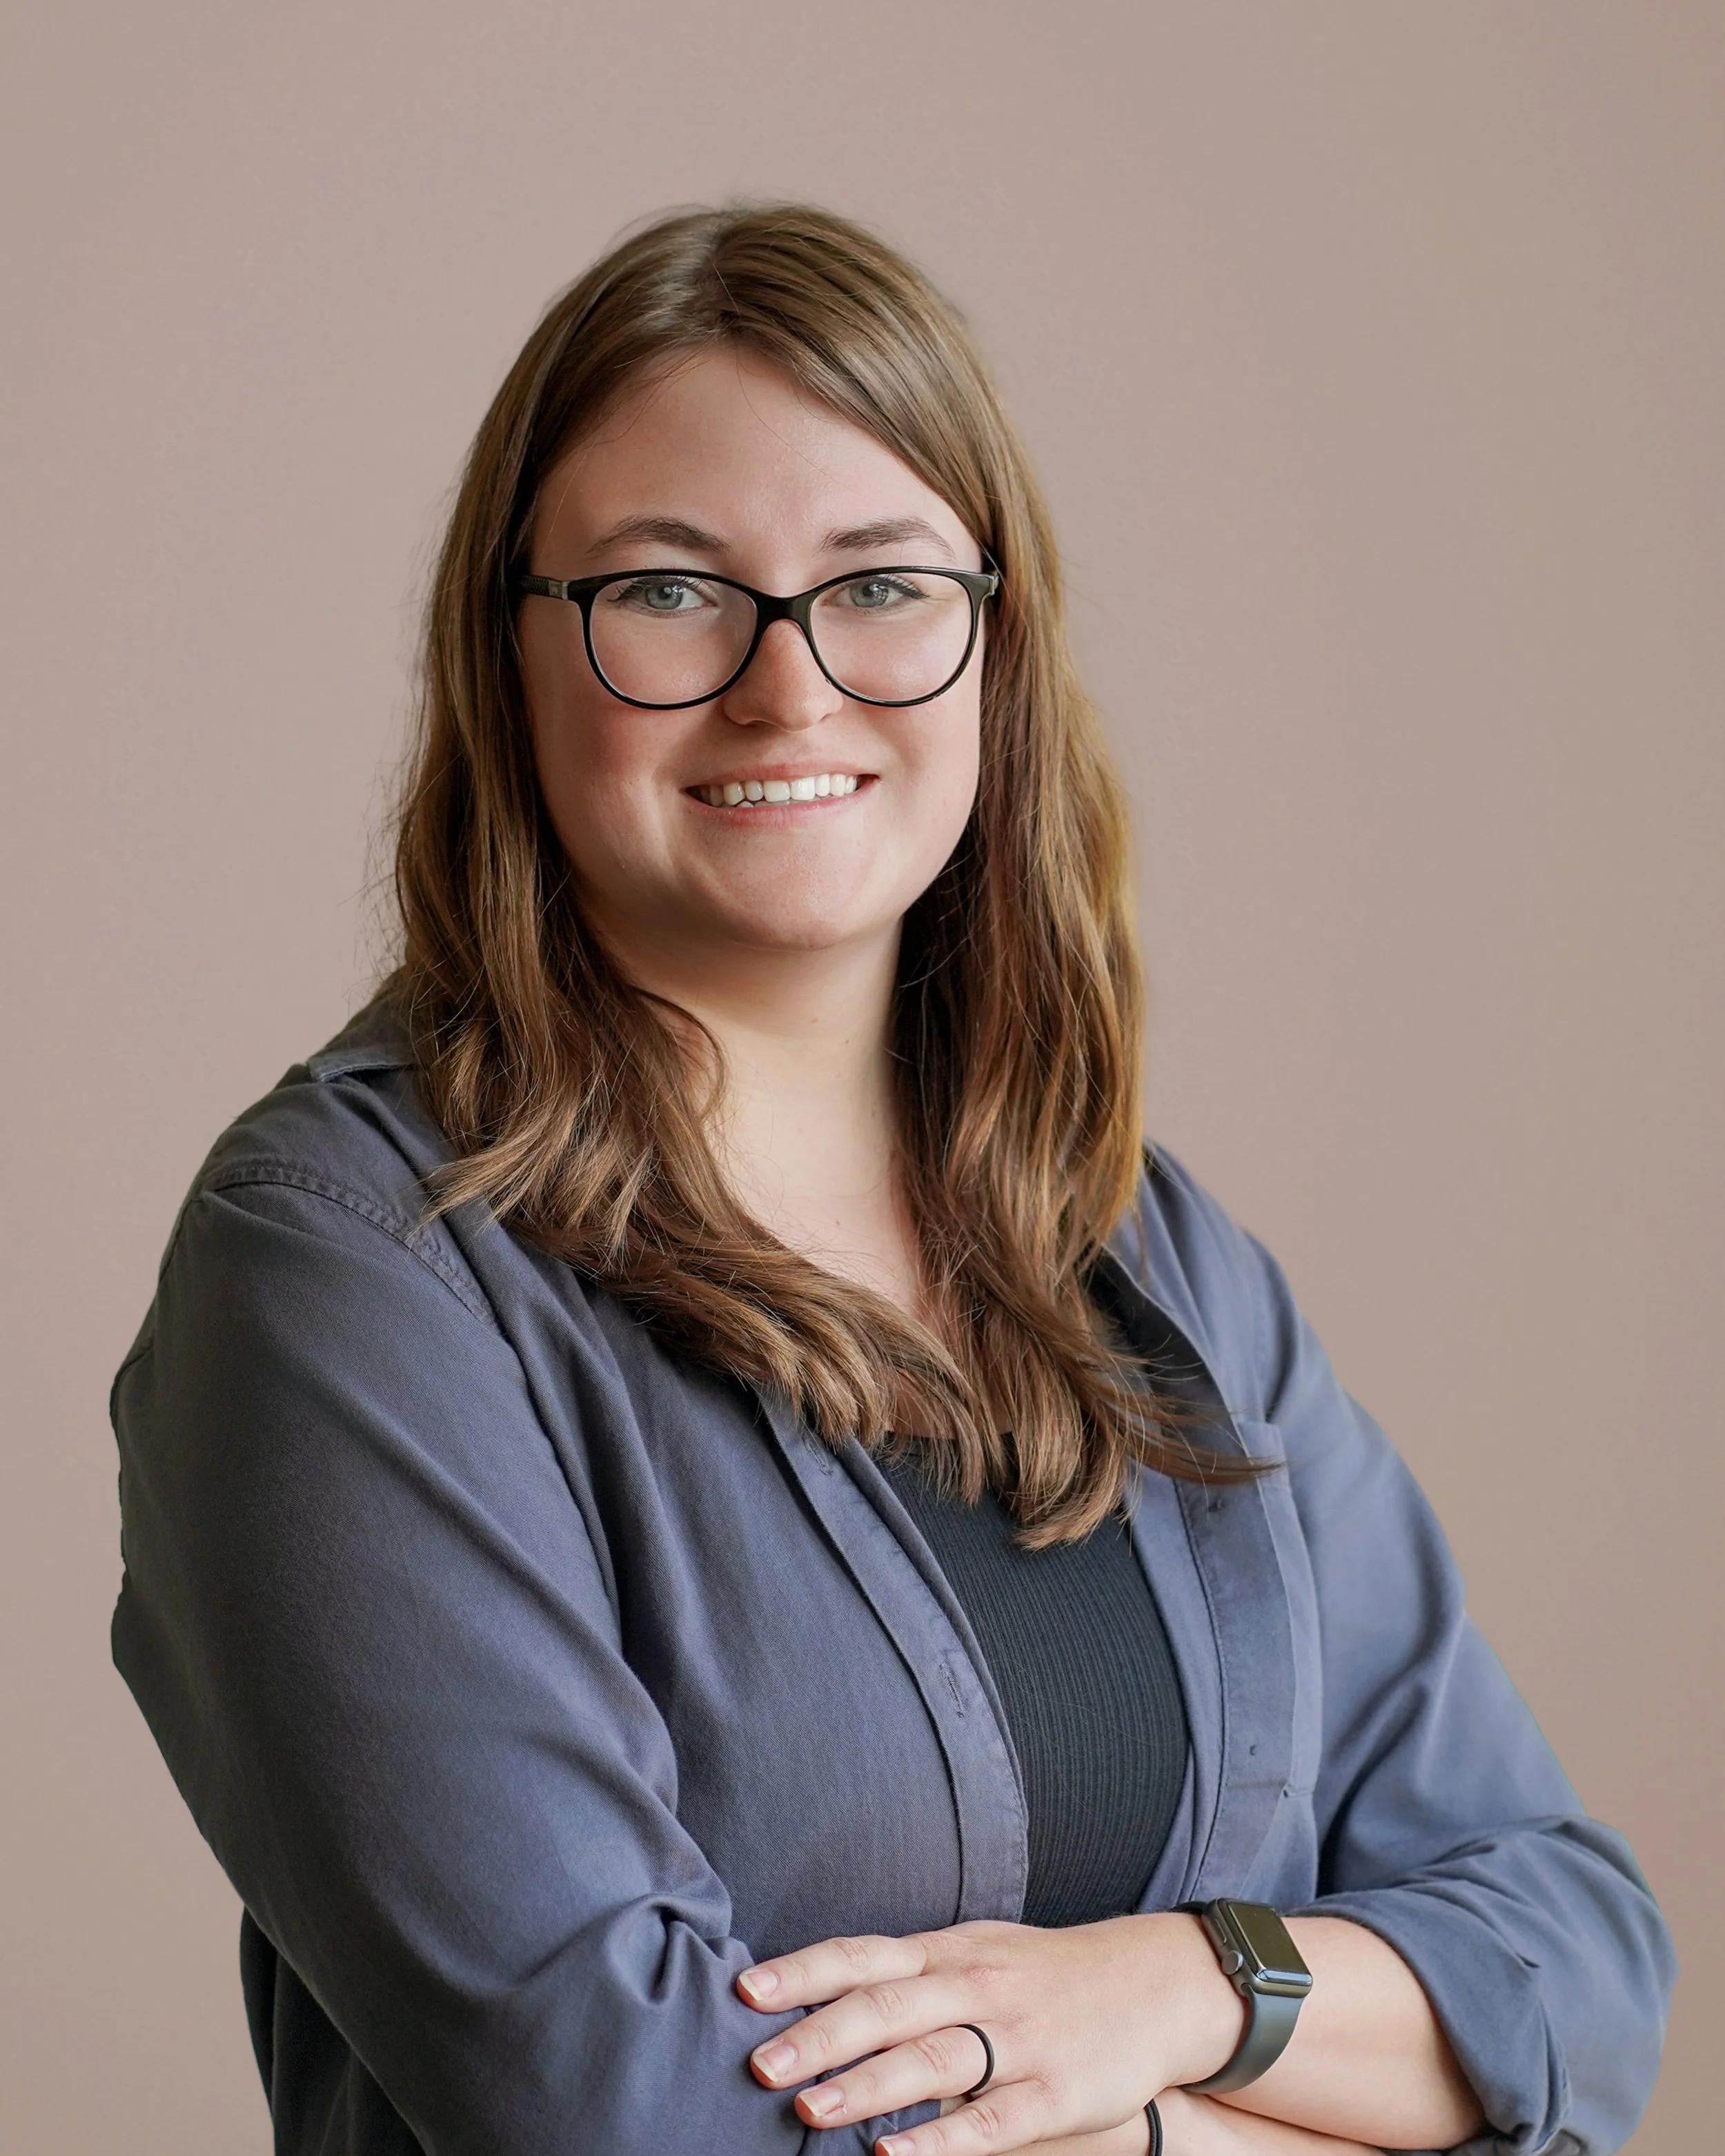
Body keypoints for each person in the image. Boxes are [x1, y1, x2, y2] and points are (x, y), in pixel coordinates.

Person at [110, 204, 1673, 2156]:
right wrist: (1222, 2118)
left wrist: (1179, 1990)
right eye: (667, 589)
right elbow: (620, 2111)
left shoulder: (1139, 1245)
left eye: (881, 584)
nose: (789, 687)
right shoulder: (354, 1266)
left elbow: (1574, 1958)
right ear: (507, 651)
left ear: (991, 647)